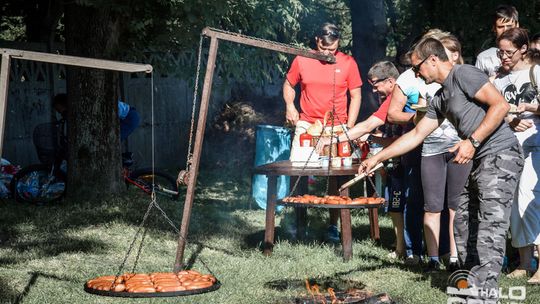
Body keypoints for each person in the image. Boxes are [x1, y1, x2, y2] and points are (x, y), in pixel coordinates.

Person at [360, 38, 523, 303]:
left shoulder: (464, 73)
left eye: (417, 67)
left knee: (489, 225)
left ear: (433, 59)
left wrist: (472, 141)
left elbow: (500, 106)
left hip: (501, 155)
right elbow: (416, 135)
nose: (415, 73)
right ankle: (472, 282)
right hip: (480, 158)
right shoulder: (440, 98)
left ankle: (484, 295)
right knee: (462, 220)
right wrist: (378, 157)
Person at [316, 61, 405, 256]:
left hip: (409, 159)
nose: (373, 90)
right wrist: (373, 138)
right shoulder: (390, 98)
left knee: (402, 205)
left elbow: (367, 125)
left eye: (375, 84)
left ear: (390, 81)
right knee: (395, 207)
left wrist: (336, 139)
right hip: (398, 159)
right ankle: (402, 248)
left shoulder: (398, 97)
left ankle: (409, 249)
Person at [283, 22, 362, 242]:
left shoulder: (348, 62)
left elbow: (356, 96)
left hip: (337, 126)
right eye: (324, 47)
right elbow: (289, 85)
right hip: (307, 124)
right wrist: (290, 106)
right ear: (317, 40)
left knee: (336, 175)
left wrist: (351, 127)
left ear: (339, 41)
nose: (328, 52)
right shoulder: (302, 59)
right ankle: (299, 224)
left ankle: (333, 226)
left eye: (333, 47)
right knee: (298, 170)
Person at [493, 28, 540, 284]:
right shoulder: (498, 79)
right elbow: (491, 110)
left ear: (523, 49)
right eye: (500, 52)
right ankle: (524, 262)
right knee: (512, 204)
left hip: (535, 144)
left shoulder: (536, 72)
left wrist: (530, 108)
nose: (503, 57)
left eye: (508, 52)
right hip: (508, 146)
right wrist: (508, 118)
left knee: (529, 200)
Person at [53, 93, 140, 142]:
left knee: (113, 141)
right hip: (125, 115)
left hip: (129, 116)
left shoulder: (80, 106)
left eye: (58, 109)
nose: (59, 112)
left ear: (63, 104)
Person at [475, 5, 519, 77]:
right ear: (494, 28)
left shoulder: (527, 54)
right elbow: (476, 86)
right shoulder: (484, 58)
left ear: (517, 25)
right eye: (501, 27)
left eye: (509, 26)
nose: (505, 30)